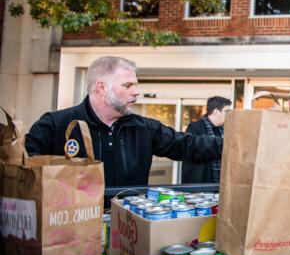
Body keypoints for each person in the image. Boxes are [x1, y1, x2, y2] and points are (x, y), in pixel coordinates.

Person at [25, 56, 223, 187]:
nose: (136, 91)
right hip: (71, 230)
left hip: (129, 230)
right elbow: (22, 169)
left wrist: (239, 142)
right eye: (128, 85)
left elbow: (189, 145)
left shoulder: (145, 128)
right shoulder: (55, 125)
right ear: (102, 88)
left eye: (136, 85)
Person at [181, 96, 232, 184]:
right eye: (227, 112)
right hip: (200, 183)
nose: (230, 115)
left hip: (219, 184)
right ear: (216, 112)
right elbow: (192, 152)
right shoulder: (195, 127)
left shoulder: (225, 129)